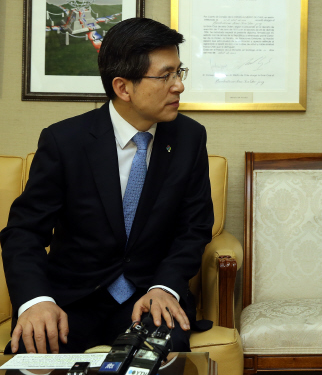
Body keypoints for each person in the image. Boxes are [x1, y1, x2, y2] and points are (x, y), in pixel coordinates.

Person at [0, 18, 214, 354]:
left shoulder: (189, 138)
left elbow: (195, 227)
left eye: (179, 72)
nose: (179, 86)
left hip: (149, 299)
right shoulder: (64, 141)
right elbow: (24, 232)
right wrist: (36, 301)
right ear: (123, 87)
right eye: (165, 76)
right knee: (34, 357)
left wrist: (165, 287)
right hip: (71, 299)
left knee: (154, 360)